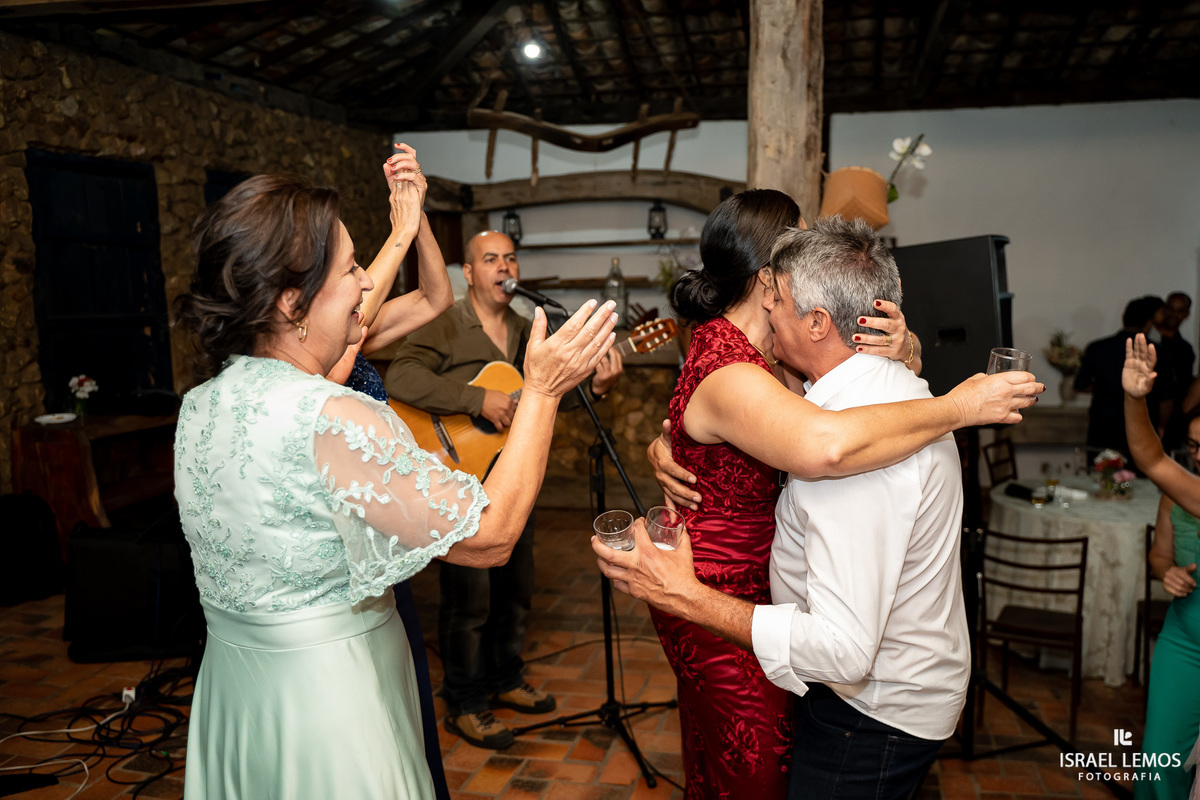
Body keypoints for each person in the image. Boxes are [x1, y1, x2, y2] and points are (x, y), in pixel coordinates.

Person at [173, 172, 619, 799]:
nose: (365, 285)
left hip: (237, 691)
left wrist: (410, 225)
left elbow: (352, 332)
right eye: (352, 269)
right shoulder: (334, 415)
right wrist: (542, 390)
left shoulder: (202, 403)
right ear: (290, 301)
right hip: (330, 705)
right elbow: (489, 539)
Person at [619, 191, 1039, 800]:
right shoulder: (739, 363)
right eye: (802, 242)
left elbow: (838, 400)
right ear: (770, 276)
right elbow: (822, 444)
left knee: (751, 763)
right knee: (750, 768)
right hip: (721, 585)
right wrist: (956, 406)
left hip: (773, 607)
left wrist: (907, 352)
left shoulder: (783, 360)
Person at [385, 229, 624, 749]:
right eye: (489, 259)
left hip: (513, 475)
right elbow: (399, 376)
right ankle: (466, 700)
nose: (502, 267)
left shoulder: (527, 328)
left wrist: (598, 388)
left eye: (509, 257)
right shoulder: (446, 323)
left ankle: (506, 678)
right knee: (468, 599)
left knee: (516, 587)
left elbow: (550, 396)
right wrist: (477, 399)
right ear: (468, 273)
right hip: (457, 475)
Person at [324, 143, 456, 800]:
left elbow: (437, 294)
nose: (362, 280)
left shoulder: (358, 334)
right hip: (337, 553)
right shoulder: (329, 350)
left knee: (403, 699)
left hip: (382, 545)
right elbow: (356, 316)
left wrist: (420, 215)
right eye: (347, 268)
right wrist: (399, 228)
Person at [1124, 336, 1200, 800]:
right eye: (1194, 447)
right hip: (1185, 640)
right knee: (1159, 762)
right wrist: (1136, 398)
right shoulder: (1188, 491)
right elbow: (1151, 458)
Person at [1076, 295, 1168, 458]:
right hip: (1142, 426)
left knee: (1100, 477)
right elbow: (1166, 396)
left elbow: (1081, 384)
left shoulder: (1097, 348)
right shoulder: (1156, 351)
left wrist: (1105, 387)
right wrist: (1162, 426)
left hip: (1103, 426)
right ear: (1149, 321)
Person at [1154, 292, 1195, 451]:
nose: (1173, 314)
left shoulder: (1185, 350)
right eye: (1170, 308)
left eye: (1179, 310)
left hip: (1170, 424)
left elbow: (1181, 390)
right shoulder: (1147, 338)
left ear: (1186, 315)